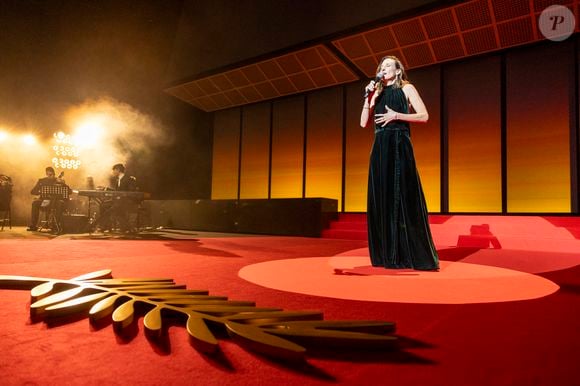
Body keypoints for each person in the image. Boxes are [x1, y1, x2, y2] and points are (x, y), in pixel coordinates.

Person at [360, 56, 439, 271]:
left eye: (387, 66)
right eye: (381, 67)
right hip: (379, 147)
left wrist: (397, 115)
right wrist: (368, 98)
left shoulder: (407, 88)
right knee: (383, 197)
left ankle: (409, 253)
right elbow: (362, 122)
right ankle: (386, 255)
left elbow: (424, 116)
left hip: (399, 143)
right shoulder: (376, 92)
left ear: (397, 70)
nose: (383, 69)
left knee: (403, 195)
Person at [97, 163, 138, 232]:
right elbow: (117, 192)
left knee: (114, 208)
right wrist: (106, 189)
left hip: (127, 202)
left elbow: (131, 192)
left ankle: (125, 227)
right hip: (118, 202)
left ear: (118, 170)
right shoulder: (118, 180)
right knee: (103, 205)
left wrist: (122, 197)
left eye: (114, 170)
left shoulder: (129, 179)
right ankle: (106, 226)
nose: (113, 172)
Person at [27, 166, 70, 231]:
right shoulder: (42, 181)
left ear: (54, 174)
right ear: (46, 174)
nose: (50, 176)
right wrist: (40, 192)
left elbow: (69, 191)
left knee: (60, 203)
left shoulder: (58, 180)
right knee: (35, 203)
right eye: (48, 174)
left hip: (55, 202)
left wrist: (63, 184)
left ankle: (55, 225)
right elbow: (32, 191)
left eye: (51, 174)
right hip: (45, 201)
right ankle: (33, 225)